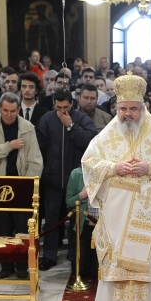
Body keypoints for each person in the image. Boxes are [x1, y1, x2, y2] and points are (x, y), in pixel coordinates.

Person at [80, 74, 151, 301]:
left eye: (133, 109)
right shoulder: (106, 135)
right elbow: (89, 163)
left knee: (144, 265)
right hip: (116, 212)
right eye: (122, 108)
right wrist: (114, 167)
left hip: (146, 213)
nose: (127, 114)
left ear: (143, 108)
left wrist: (150, 166)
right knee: (117, 265)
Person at [0, 92, 44, 279]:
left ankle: (22, 265)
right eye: (5, 111)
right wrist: (9, 146)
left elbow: (36, 161)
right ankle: (6, 265)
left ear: (18, 110)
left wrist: (27, 184)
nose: (9, 115)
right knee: (2, 226)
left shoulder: (27, 128)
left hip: (21, 183)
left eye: (12, 111)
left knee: (23, 227)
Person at [36, 94, 97, 270]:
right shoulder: (47, 119)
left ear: (72, 104)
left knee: (75, 219)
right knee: (52, 219)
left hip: (75, 179)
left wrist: (70, 125)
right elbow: (40, 148)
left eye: (65, 107)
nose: (62, 111)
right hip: (52, 178)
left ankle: (74, 254)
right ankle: (48, 255)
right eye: (58, 107)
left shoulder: (82, 119)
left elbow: (89, 143)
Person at [65, 165, 98, 278]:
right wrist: (82, 195)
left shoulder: (111, 174)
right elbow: (69, 201)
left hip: (103, 228)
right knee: (81, 271)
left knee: (96, 272)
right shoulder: (76, 174)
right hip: (84, 226)